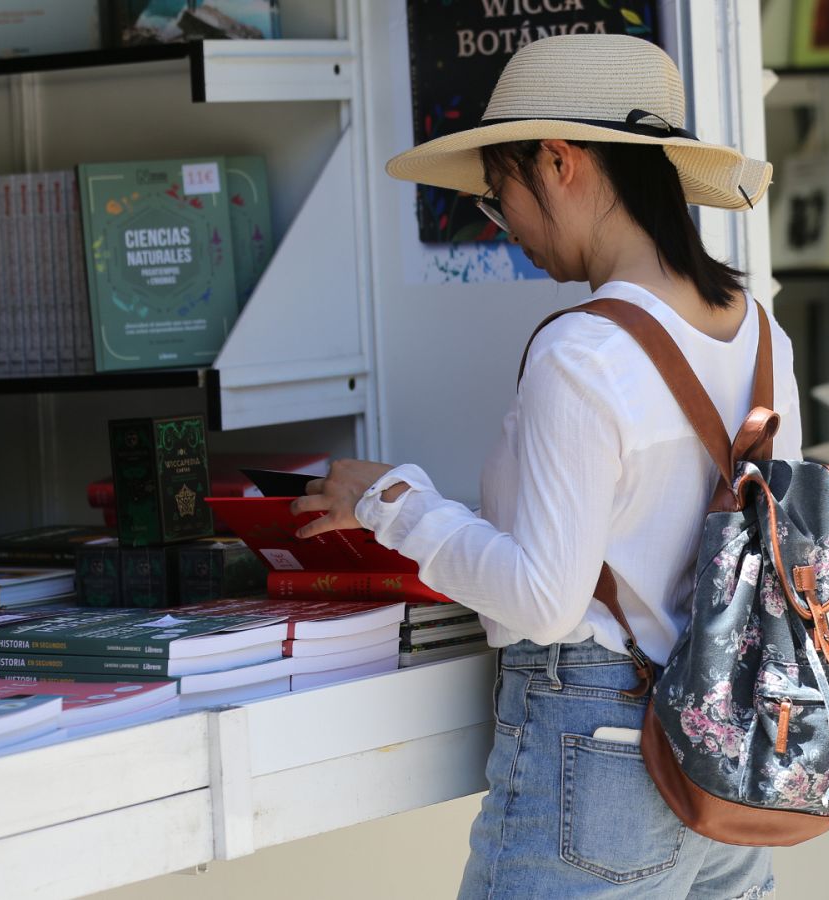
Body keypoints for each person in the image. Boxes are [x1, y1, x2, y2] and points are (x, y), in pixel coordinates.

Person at [290, 34, 794, 899]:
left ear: (558, 161)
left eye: (500, 195)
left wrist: (394, 500)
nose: (507, 226)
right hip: (729, 743)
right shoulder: (759, 335)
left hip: (597, 749)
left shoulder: (583, 350)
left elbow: (543, 599)